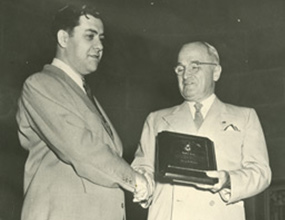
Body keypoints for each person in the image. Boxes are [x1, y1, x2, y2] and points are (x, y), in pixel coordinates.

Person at [16, 4, 151, 220]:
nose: (99, 46)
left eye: (101, 38)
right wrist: (133, 179)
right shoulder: (41, 85)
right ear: (63, 38)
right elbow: (83, 150)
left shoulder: (83, 92)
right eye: (90, 36)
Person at [131, 41, 272, 220]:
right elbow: (143, 168)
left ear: (216, 72)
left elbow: (261, 173)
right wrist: (142, 184)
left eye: (194, 67)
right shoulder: (156, 119)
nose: (186, 75)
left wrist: (228, 180)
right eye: (180, 69)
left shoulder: (244, 117)